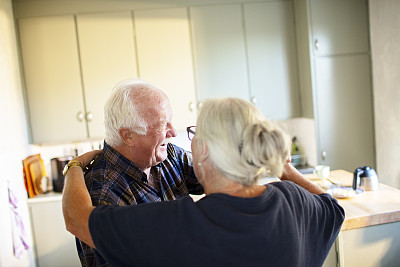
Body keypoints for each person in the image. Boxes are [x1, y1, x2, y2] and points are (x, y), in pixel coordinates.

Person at [63, 98, 345, 267]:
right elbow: (333, 208)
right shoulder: (293, 200)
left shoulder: (182, 223)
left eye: (194, 132)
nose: (179, 137)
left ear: (205, 150)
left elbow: (76, 218)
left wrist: (74, 166)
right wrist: (284, 169)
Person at [74, 79, 203, 266]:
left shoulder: (169, 155)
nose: (173, 132)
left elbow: (220, 180)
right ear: (128, 135)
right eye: (161, 124)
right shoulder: (102, 192)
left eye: (170, 120)